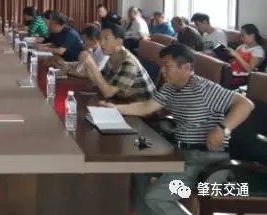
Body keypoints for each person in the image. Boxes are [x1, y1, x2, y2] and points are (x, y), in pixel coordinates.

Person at [100, 43, 254, 215]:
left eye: (168, 66)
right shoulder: (170, 88)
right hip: (182, 157)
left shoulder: (204, 89)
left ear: (186, 68)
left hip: (206, 163)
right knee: (140, 168)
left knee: (156, 197)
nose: (163, 70)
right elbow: (146, 106)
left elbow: (245, 104)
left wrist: (222, 129)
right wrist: (115, 108)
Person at [79, 22, 155, 101]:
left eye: (106, 39)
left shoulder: (129, 63)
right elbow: (99, 84)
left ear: (119, 42)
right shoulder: (112, 56)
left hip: (142, 106)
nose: (101, 43)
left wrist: (92, 64)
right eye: (100, 38)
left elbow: (107, 93)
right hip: (124, 101)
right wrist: (87, 65)